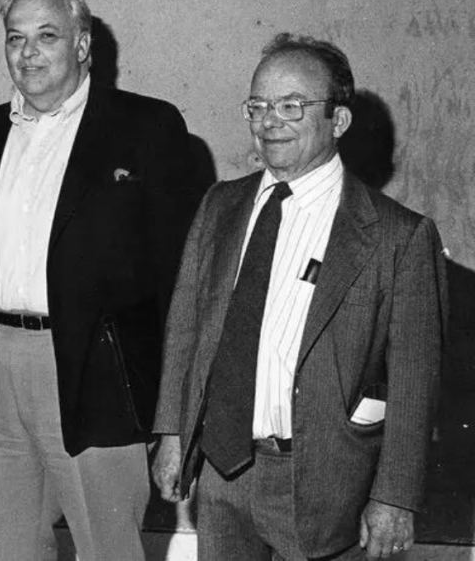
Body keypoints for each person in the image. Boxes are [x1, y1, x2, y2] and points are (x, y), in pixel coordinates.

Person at [153, 34, 448, 560]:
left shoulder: (396, 236)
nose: (270, 122)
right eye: (259, 106)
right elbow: (185, 328)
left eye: (292, 106)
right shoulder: (222, 205)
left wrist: (395, 497)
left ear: (338, 121)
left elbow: (414, 379)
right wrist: (172, 434)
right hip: (223, 471)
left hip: (327, 482)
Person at [0, 0, 201, 560]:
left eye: (46, 36)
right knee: (9, 550)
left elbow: (181, 277)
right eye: (15, 38)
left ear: (82, 46)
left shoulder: (146, 128)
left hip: (98, 370)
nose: (28, 53)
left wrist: (175, 411)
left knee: (109, 549)